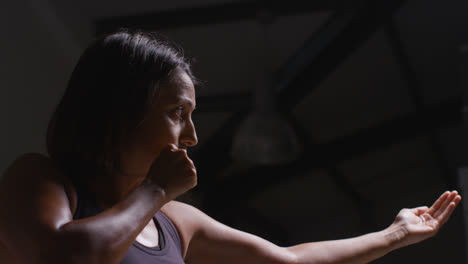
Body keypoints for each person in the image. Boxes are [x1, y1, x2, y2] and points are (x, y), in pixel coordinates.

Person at [0, 30, 462, 264]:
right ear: (121, 109)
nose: (193, 136)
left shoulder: (174, 223)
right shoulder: (42, 179)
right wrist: (154, 192)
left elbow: (291, 261)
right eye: (178, 113)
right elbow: (57, 257)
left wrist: (395, 234)